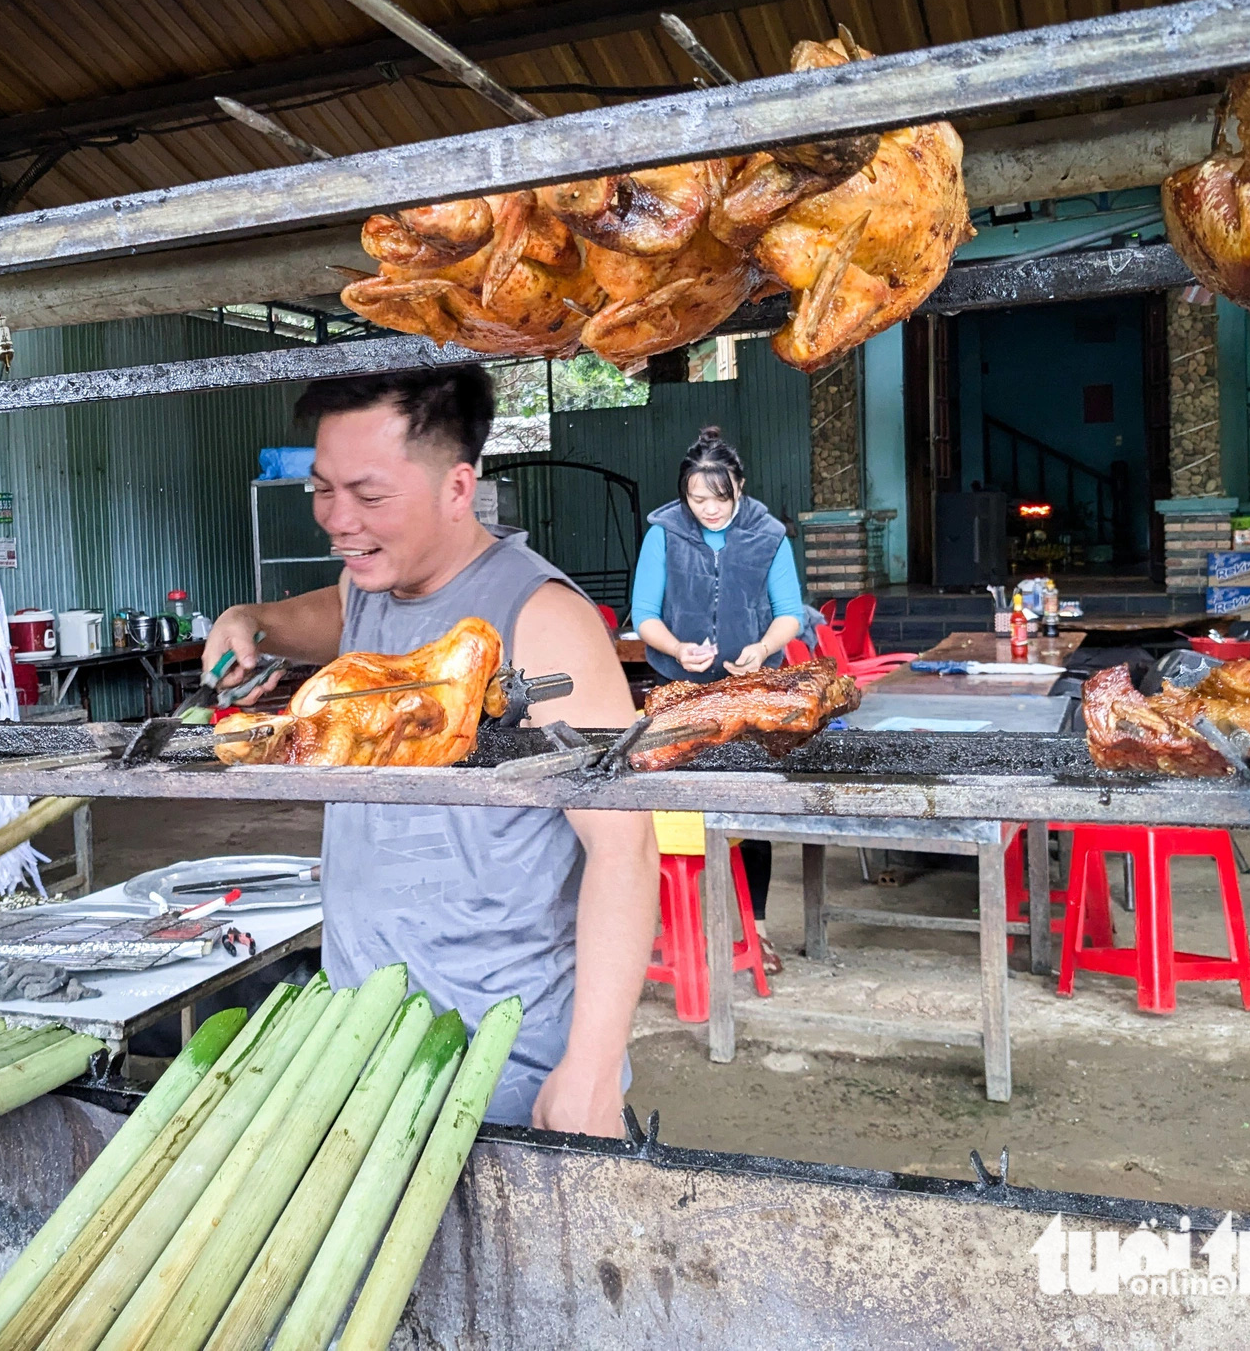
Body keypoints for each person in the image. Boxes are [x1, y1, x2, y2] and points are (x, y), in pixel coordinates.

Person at [204, 366, 657, 1135]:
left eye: (370, 495)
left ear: (458, 488)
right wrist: (254, 619)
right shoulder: (372, 588)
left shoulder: (538, 620)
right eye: (323, 490)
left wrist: (589, 1067)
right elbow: (332, 610)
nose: (338, 520)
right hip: (367, 1039)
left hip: (503, 1059)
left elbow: (625, 850)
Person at [630, 424, 805, 973]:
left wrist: (763, 647)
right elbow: (644, 615)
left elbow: (790, 614)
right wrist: (678, 647)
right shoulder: (664, 530)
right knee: (671, 810)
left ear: (741, 485)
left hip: (746, 692)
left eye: (719, 497)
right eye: (696, 498)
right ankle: (665, 925)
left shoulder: (769, 534)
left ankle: (757, 931)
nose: (706, 509)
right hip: (677, 692)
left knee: (746, 810)